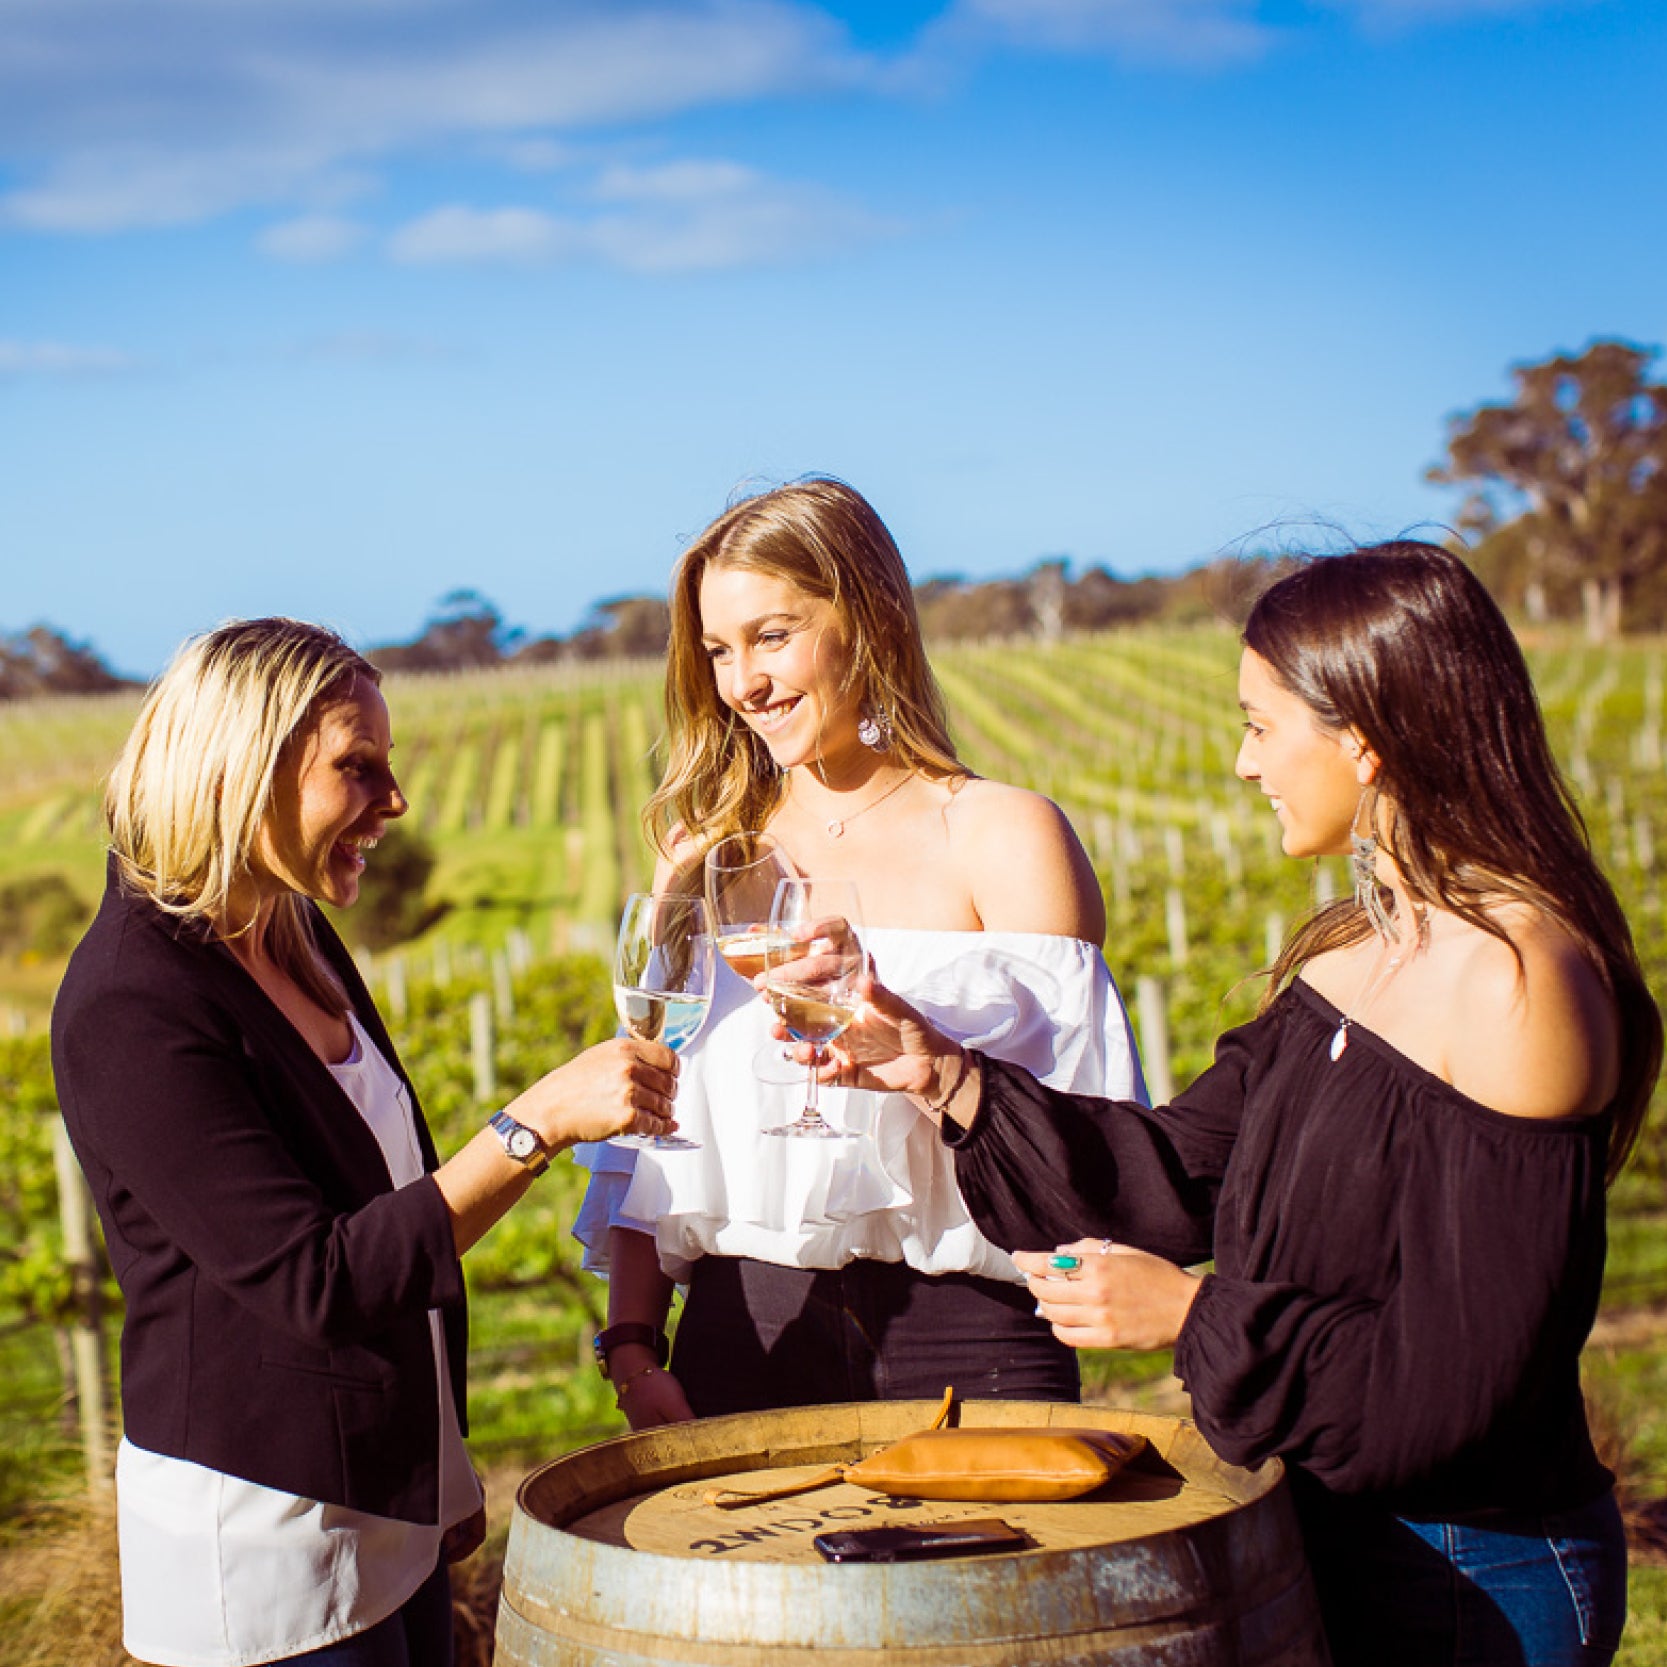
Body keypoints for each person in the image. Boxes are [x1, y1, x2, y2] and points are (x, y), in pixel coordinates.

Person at [815, 542, 1659, 1667]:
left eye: (1260, 725)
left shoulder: (1518, 981)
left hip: (1470, 1567)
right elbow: (1167, 1174)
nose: (1238, 761)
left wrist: (1185, 1315)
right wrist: (942, 1073)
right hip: (1307, 1521)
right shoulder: (1347, 955)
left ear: (1359, 737)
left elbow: (1453, 1379)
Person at [51, 619, 679, 1667]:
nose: (393, 802)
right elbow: (318, 1280)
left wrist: (436, 1475)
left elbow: (385, 1205)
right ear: (241, 766)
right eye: (358, 766)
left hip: (387, 1513)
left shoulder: (284, 929)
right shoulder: (132, 1002)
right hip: (263, 1558)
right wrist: (535, 1126)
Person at [574, 477, 1145, 1427]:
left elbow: (1079, 1146)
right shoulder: (704, 859)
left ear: (869, 617)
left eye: (772, 635)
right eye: (718, 649)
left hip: (974, 1337)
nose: (742, 682)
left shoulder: (1006, 836)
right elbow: (648, 1118)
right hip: (741, 1336)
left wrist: (909, 1040)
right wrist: (632, 1349)